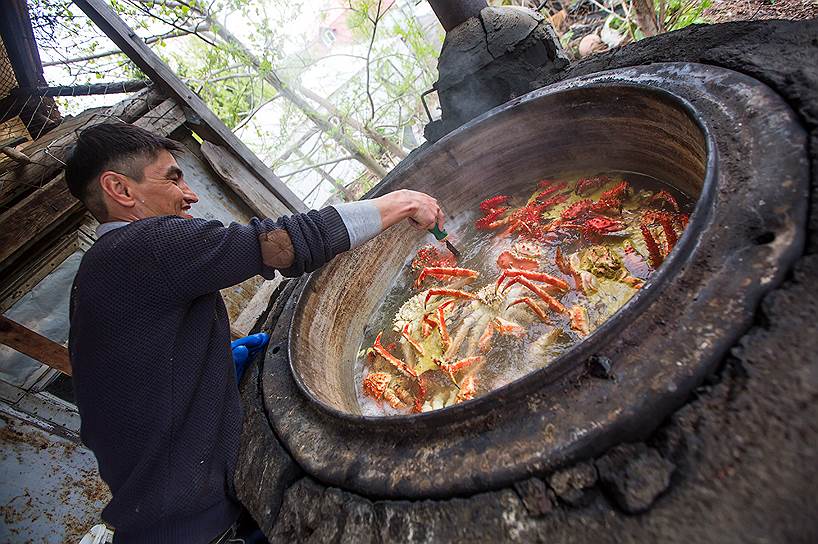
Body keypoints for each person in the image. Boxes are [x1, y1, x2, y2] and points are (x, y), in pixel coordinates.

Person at [65, 123, 444, 543]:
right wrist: (399, 202)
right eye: (172, 177)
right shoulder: (142, 246)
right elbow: (283, 244)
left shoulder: (95, 275)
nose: (190, 194)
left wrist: (213, 363)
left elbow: (133, 380)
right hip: (199, 527)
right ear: (120, 189)